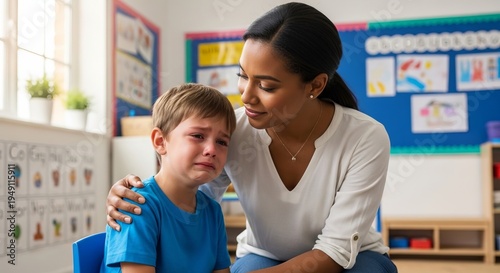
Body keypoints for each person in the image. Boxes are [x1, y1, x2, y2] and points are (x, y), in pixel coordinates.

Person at [106, 2, 398, 273]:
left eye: (267, 86)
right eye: (243, 75)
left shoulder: (364, 137)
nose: (245, 96)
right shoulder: (230, 131)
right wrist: (134, 195)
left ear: (316, 85)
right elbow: (191, 195)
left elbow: (334, 250)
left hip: (352, 259)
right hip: (263, 254)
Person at [100, 83, 236, 273]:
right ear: (160, 141)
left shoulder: (212, 211)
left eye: (222, 142)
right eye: (198, 135)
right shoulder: (136, 206)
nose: (212, 150)